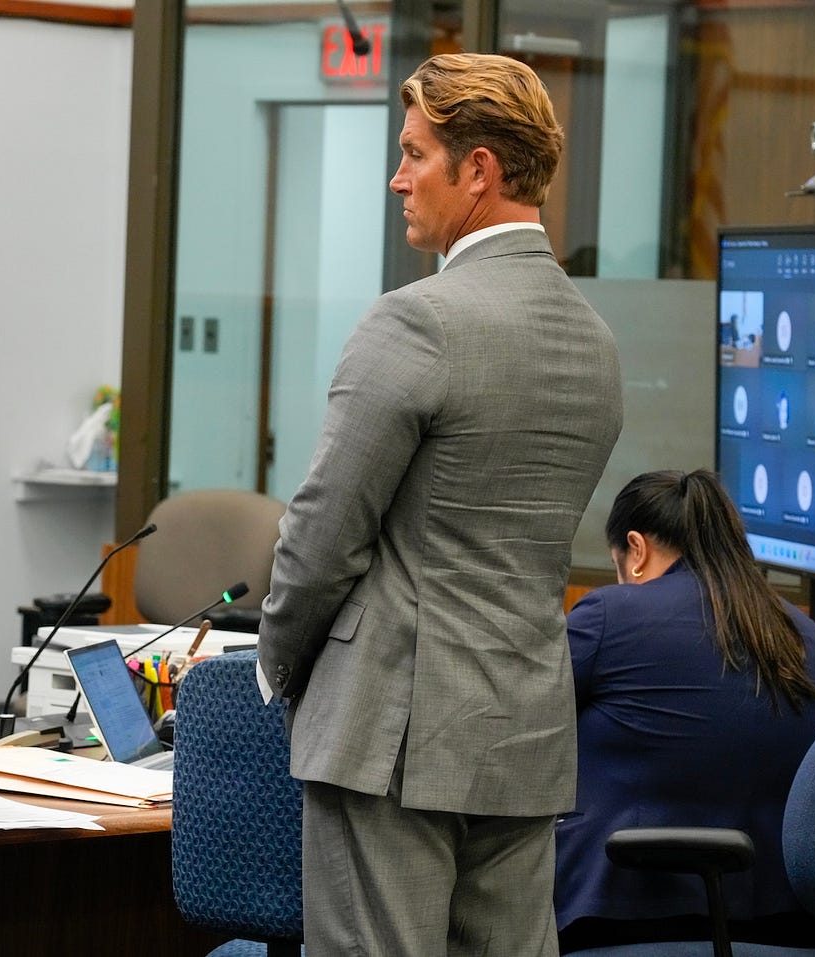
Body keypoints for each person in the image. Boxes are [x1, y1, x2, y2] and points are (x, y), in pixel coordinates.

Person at [255, 52, 623, 955]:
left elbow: (321, 537)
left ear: (480, 170)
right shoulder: (596, 342)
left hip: (391, 738)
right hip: (521, 735)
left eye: (416, 153)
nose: (398, 177)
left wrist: (277, 663)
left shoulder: (416, 320)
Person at [556, 469, 815, 951]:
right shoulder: (801, 634)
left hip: (622, 910)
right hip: (785, 923)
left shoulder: (609, 616)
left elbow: (524, 723)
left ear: (636, 550)